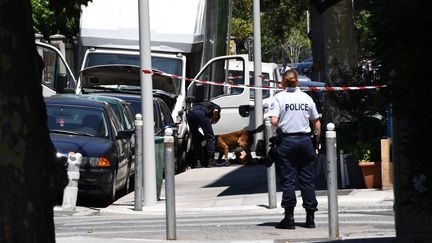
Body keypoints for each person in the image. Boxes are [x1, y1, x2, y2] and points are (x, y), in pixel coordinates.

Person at [267, 70, 321, 229]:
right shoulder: (307, 98)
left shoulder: (278, 98)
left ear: (283, 82)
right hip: (305, 142)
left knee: (288, 181)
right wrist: (316, 145)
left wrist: (284, 119)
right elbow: (316, 124)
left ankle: (289, 218)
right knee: (307, 181)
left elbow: (274, 121)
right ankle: (310, 218)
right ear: (297, 82)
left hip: (287, 142)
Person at [187, 101, 221, 168]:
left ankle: (197, 162)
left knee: (196, 138)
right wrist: (212, 120)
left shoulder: (205, 105)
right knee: (210, 137)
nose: (212, 122)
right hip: (200, 113)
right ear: (216, 117)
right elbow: (216, 111)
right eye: (214, 121)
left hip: (190, 113)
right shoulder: (216, 107)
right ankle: (210, 161)